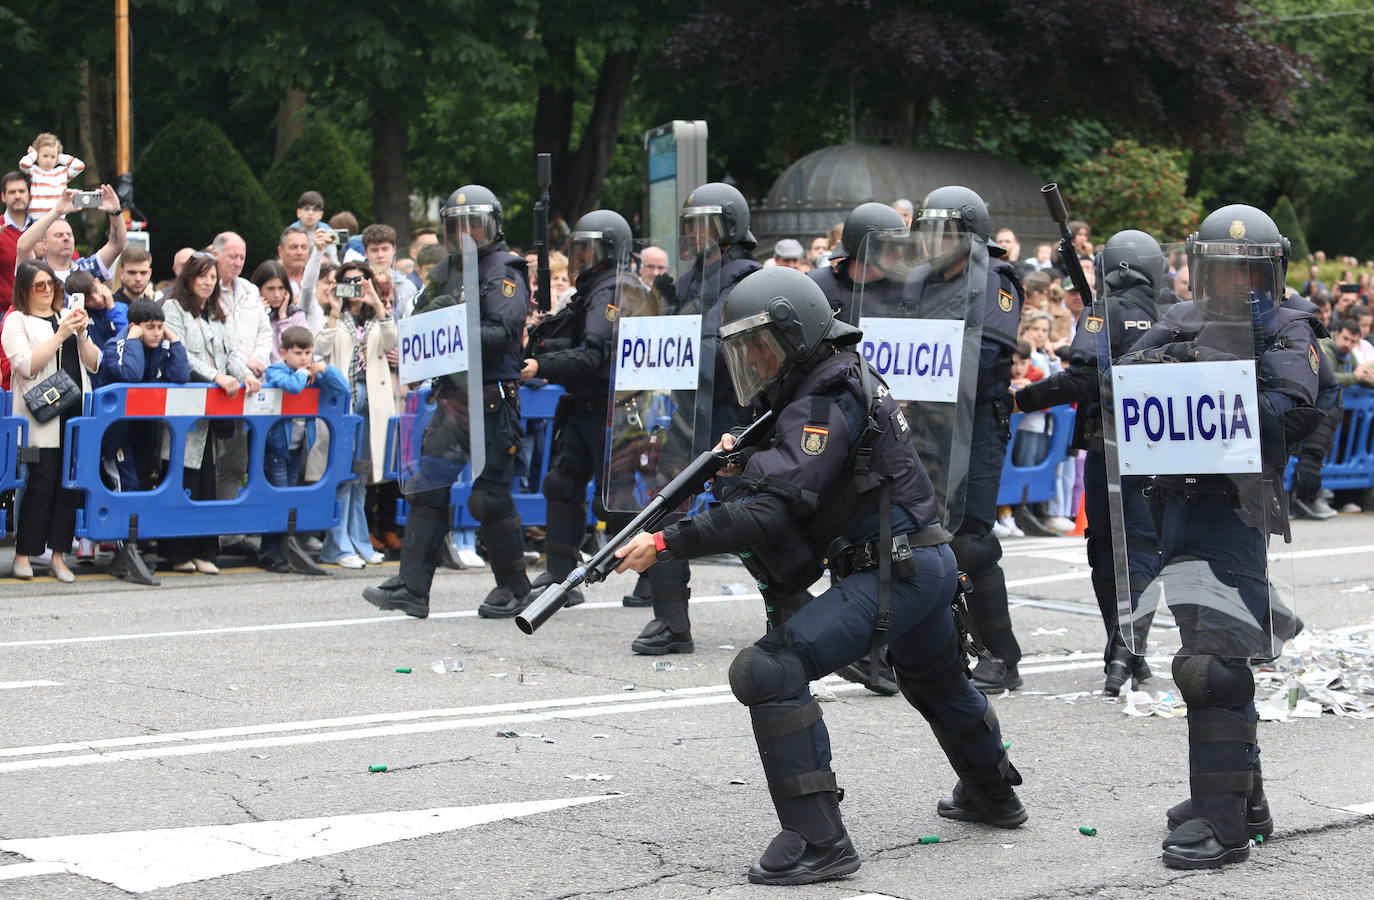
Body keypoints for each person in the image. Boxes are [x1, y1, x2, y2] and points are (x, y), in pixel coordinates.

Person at [612, 267, 1027, 885]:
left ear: (796, 333)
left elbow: (774, 507)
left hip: (895, 572)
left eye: (761, 346)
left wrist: (668, 541)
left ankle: (818, 840)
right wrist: (744, 458)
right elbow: (815, 472)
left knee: (768, 670)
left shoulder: (825, 390)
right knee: (937, 681)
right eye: (744, 349)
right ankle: (994, 792)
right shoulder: (830, 380)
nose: (752, 360)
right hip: (923, 564)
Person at [1115, 205, 1325, 870]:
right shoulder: (1178, 318)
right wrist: (1199, 356)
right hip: (1173, 508)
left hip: (1235, 512)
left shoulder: (1291, 325)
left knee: (1211, 666)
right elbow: (1129, 373)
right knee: (1209, 654)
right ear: (1205, 271)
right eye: (1225, 269)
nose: (1239, 282)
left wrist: (1209, 367)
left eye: (1251, 270)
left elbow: (1289, 410)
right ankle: (1241, 798)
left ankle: (1224, 826)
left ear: (1273, 271)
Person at [362, 184, 531, 619]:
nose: (466, 233)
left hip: (493, 399)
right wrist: (442, 312)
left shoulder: (505, 269)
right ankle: (412, 587)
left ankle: (515, 589)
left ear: (492, 224)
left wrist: (453, 319)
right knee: (429, 488)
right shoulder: (445, 269)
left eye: (474, 224)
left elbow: (504, 332)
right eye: (457, 225)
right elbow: (417, 323)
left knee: (488, 499)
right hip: (453, 398)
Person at [1013, 229, 1167, 694]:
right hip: (1163, 447)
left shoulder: (1105, 311)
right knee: (1143, 548)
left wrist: (1024, 400)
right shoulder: (1172, 313)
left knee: (1106, 547)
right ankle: (1131, 649)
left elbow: (1082, 378)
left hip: (1111, 446)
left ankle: (1122, 646)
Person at [627, 182, 763, 655]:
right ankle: (671, 623)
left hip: (733, 416)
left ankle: (796, 612)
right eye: (689, 228)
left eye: (703, 227)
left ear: (729, 229)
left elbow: (728, 349)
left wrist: (677, 324)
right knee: (664, 509)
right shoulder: (689, 280)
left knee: (752, 520)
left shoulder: (746, 278)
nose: (693, 237)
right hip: (689, 414)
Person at [909, 186, 1026, 693]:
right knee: (921, 537)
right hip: (924, 425)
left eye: (945, 232)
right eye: (928, 231)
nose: (934, 242)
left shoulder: (995, 280)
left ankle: (1002, 654)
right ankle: (941, 645)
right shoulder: (916, 283)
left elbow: (993, 358)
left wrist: (929, 374)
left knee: (972, 541)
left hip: (975, 423)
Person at [522, 210, 635, 606]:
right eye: (578, 250)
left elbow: (592, 355)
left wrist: (540, 365)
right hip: (585, 405)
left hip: (613, 407)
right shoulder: (592, 288)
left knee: (620, 500)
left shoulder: (613, 290)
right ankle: (559, 576)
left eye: (589, 250)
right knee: (563, 484)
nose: (581, 258)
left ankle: (655, 579)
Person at [160, 252, 262, 574]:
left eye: (213, 277)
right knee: (182, 477)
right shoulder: (172, 308)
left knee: (208, 480)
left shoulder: (216, 313)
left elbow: (230, 353)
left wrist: (245, 373)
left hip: (213, 412)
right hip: (184, 409)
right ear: (188, 277)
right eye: (202, 275)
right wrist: (215, 376)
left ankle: (204, 550)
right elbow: (182, 355)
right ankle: (177, 552)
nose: (208, 282)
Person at [2, 260, 101, 582]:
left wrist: (82, 334)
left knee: (67, 486)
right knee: (39, 485)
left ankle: (59, 555)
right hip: (38, 416)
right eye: (39, 286)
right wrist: (60, 335)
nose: (46, 291)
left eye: (51, 285)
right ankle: (23, 554)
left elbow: (96, 363)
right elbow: (26, 365)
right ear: (25, 290)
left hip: (74, 413)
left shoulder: (65, 317)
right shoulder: (17, 320)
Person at [316, 262, 394, 569]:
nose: (355, 287)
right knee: (342, 475)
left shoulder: (377, 317)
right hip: (345, 400)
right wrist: (334, 311)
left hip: (372, 402)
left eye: (360, 281)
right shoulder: (332, 317)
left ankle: (360, 541)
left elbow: (392, 343)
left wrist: (376, 301)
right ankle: (336, 545)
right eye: (348, 282)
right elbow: (319, 348)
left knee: (361, 477)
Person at [258, 325, 350, 573]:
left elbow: (342, 388)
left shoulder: (310, 369)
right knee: (279, 497)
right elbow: (292, 387)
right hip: (276, 447)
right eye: (298, 353)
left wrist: (324, 369)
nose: (304, 358)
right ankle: (269, 551)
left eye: (308, 353)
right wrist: (303, 372)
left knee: (290, 497)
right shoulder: (276, 369)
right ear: (284, 352)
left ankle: (285, 546)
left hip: (297, 448)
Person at [99, 298, 190, 495]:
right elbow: (131, 374)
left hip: (145, 431)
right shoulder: (116, 346)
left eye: (160, 327)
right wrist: (132, 340)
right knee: (127, 485)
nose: (157, 332)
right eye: (150, 327)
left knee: (143, 481)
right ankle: (122, 525)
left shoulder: (162, 347)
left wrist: (174, 341)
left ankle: (136, 526)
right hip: (116, 433)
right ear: (134, 327)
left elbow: (181, 375)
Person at [811, 201, 907, 325]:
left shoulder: (903, 289)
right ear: (868, 250)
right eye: (890, 248)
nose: (898, 256)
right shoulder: (818, 287)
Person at [15, 186, 126, 283]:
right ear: (44, 243)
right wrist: (58, 211)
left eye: (69, 234)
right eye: (59, 235)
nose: (66, 238)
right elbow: (22, 246)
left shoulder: (86, 268)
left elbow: (116, 246)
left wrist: (115, 211)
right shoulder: (34, 271)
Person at [252, 261, 307, 363]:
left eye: (281, 288)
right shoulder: (249, 314)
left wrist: (283, 318)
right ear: (259, 290)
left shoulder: (296, 314)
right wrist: (260, 314)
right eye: (271, 289)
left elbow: (296, 351)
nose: (277, 294)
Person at [18, 135, 85, 218]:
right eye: (45, 156)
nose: (49, 160)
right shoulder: (34, 171)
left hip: (58, 215)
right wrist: (33, 154)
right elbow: (23, 164)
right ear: (38, 156)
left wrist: (60, 157)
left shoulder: (61, 172)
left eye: (52, 157)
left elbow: (79, 166)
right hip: (37, 216)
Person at [361, 223, 419, 319]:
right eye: (374, 250)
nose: (380, 255)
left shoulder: (408, 286)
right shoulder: (359, 285)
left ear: (394, 249)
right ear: (366, 253)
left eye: (385, 249)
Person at [1, 172, 37, 314]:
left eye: (21, 191)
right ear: (3, 197)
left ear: (29, 195)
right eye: (12, 192)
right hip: (4, 312)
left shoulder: (41, 227)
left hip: (39, 310)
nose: (17, 196)